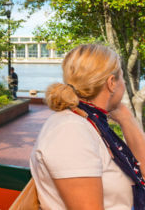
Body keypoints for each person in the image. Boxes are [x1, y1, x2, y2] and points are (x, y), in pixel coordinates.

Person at [30, 44, 145, 209]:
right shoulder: (70, 132)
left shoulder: (89, 120)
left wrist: (125, 117)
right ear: (111, 83)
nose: (125, 83)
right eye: (122, 76)